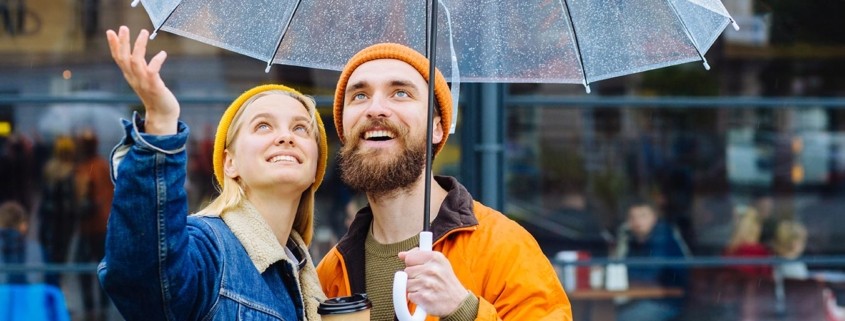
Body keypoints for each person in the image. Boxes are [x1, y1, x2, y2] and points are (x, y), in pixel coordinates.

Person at [316, 43, 571, 321]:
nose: (375, 108)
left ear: (437, 128)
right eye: (360, 95)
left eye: (400, 93)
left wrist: (463, 311)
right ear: (343, 129)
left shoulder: (504, 248)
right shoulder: (329, 274)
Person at [98, 26, 328, 321]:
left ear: (315, 169)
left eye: (300, 128)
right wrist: (160, 126)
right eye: (263, 126)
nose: (286, 137)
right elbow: (144, 279)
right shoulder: (207, 248)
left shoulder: (308, 278)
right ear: (229, 163)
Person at [612, 198, 691, 321]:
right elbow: (623, 267)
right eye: (633, 217)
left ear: (654, 217)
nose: (637, 222)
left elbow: (650, 276)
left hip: (667, 302)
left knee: (622, 318)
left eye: (643, 216)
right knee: (609, 312)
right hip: (643, 299)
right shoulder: (633, 240)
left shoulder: (662, 237)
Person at [73, 129, 113, 320]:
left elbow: (104, 196)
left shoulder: (94, 167)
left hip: (97, 226)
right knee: (91, 268)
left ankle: (99, 309)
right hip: (92, 226)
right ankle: (93, 308)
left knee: (98, 269)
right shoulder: (88, 167)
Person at [37, 135, 79, 287]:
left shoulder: (48, 169)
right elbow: (67, 208)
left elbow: (44, 202)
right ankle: (54, 301)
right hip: (61, 230)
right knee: (58, 268)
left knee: (49, 266)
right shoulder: (69, 174)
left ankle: (50, 300)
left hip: (47, 227)